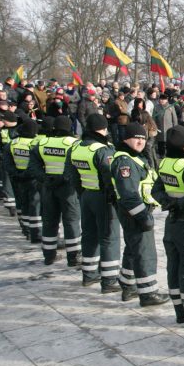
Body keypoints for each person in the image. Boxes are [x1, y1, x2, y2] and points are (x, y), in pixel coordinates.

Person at [111, 122, 169, 307]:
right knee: (145, 252)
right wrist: (143, 216)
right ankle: (148, 292)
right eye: (136, 138)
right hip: (135, 212)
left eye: (143, 138)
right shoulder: (125, 161)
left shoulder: (134, 157)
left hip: (137, 210)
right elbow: (128, 194)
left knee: (133, 247)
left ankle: (128, 283)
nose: (140, 141)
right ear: (126, 138)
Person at [152, 125, 184, 327]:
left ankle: (180, 311)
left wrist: (169, 202)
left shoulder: (165, 163)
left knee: (174, 266)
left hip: (172, 222)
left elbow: (156, 191)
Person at [65, 114, 121, 292]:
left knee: (89, 235)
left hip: (85, 195)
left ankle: (89, 275)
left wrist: (82, 192)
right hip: (103, 198)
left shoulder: (76, 147)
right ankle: (110, 279)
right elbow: (110, 176)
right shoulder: (103, 150)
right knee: (109, 237)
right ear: (104, 129)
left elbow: (71, 175)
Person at [27, 115, 81, 266]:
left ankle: (49, 255)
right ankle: (73, 256)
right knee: (71, 221)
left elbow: (33, 165)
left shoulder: (43, 142)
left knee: (49, 221)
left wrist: (44, 178)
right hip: (67, 187)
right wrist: (64, 178)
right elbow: (77, 164)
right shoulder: (74, 143)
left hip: (48, 186)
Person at [5, 119, 42, 243]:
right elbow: (37, 163)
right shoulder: (36, 143)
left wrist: (17, 174)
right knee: (35, 205)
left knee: (22, 204)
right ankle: (36, 233)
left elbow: (7, 163)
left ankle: (26, 230)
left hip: (18, 179)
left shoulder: (13, 143)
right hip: (33, 179)